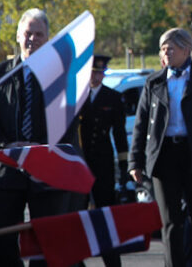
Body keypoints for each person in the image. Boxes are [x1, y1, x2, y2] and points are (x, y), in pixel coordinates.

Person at [0, 8, 79, 267]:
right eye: (28, 33)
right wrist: (7, 146)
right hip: (7, 169)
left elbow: (67, 125)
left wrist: (42, 152)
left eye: (39, 34)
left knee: (45, 242)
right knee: (0, 235)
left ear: (47, 38)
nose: (32, 39)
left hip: (46, 171)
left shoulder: (60, 78)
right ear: (18, 36)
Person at [128, 28, 192, 267]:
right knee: (170, 221)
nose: (166, 52)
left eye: (171, 47)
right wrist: (135, 162)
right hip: (164, 156)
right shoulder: (154, 82)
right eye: (162, 48)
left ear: (186, 50)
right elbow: (141, 124)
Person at [76, 54, 129, 267]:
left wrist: (124, 167)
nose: (96, 76)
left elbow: (119, 135)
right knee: (77, 215)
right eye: (92, 72)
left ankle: (112, 262)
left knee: (106, 216)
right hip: (79, 162)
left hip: (102, 163)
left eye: (100, 72)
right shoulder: (77, 96)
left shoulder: (113, 98)